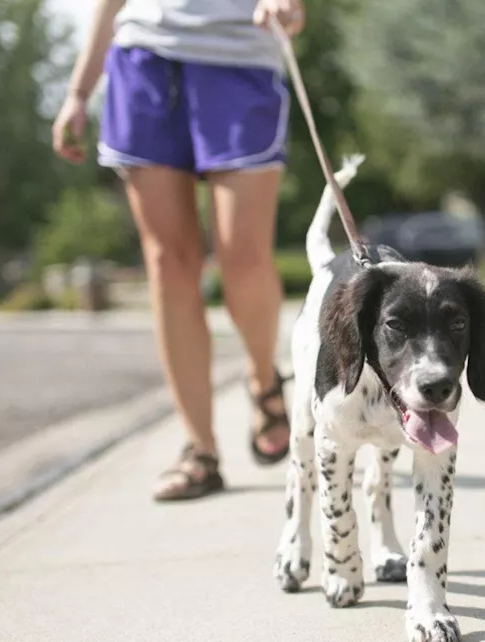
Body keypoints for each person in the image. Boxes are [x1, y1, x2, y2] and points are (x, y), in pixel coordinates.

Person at [52, 0, 306, 502]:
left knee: (244, 259)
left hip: (238, 57)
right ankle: (201, 449)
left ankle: (262, 378)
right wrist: (78, 92)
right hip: (142, 60)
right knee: (169, 263)